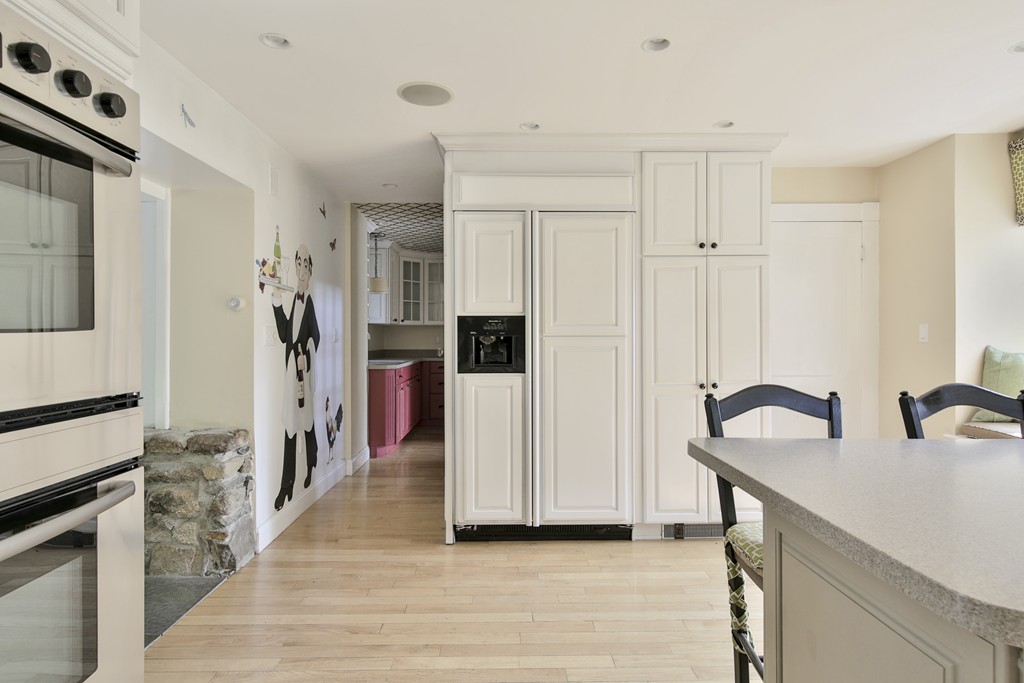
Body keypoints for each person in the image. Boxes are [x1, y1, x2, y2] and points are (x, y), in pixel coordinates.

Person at [270, 244, 320, 510]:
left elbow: (317, 337)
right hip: (292, 373)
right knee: (290, 423)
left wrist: (307, 358)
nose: (301, 269)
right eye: (298, 264)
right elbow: (282, 334)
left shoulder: (309, 303)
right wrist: (276, 300)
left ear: (310, 271)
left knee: (308, 422)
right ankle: (285, 485)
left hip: (304, 373)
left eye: (304, 265)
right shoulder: (293, 300)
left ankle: (311, 463)